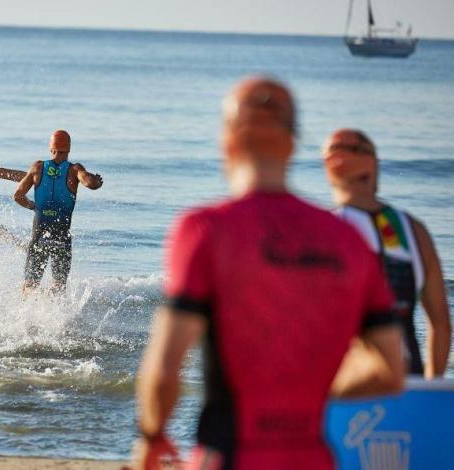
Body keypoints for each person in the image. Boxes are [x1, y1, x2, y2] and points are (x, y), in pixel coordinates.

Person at [133, 77, 405, 470]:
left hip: (230, 457)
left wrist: (151, 437)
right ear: (292, 143)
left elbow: (164, 370)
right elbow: (389, 371)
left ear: (228, 141)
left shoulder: (205, 229)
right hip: (313, 459)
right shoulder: (348, 241)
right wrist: (305, 391)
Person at [323, 129, 451, 378]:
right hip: (408, 383)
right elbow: (441, 324)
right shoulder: (414, 231)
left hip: (346, 390)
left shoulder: (326, 229)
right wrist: (430, 386)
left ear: (332, 166)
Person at [14, 130, 103, 293]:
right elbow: (90, 183)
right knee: (58, 286)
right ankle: (56, 316)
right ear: (68, 149)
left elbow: (18, 196)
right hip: (61, 237)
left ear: (51, 148)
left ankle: (26, 315)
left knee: (29, 286)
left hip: (39, 236)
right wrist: (97, 180)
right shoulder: (74, 170)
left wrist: (33, 206)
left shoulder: (38, 168)